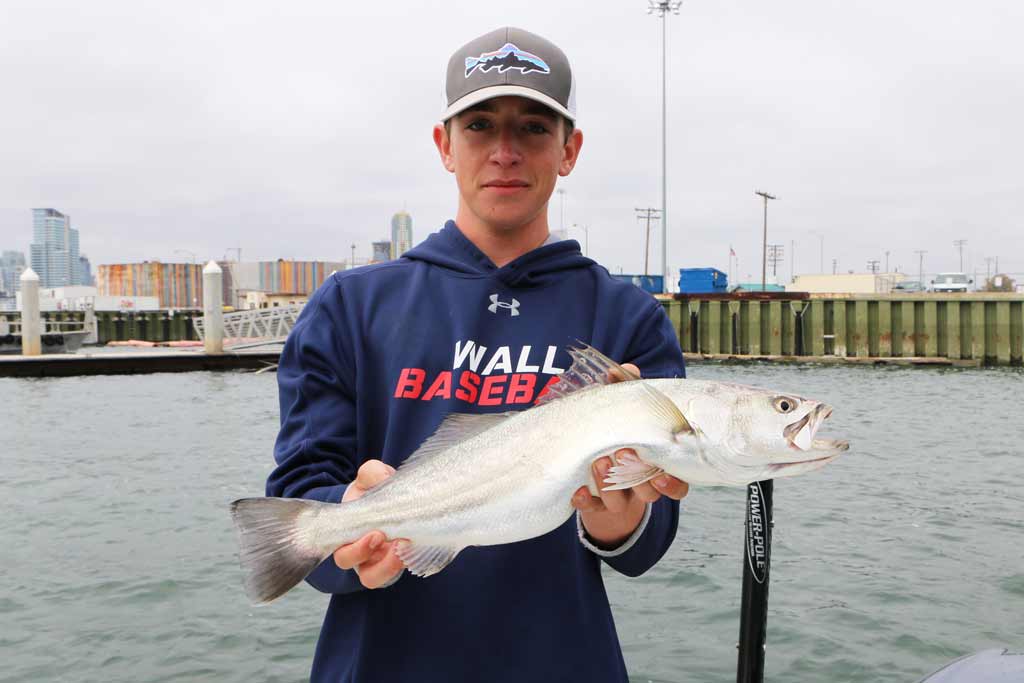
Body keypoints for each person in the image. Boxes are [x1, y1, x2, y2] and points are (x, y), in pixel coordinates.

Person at [267, 26, 688, 682]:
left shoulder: (626, 317)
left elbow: (645, 545)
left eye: (533, 128)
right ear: (445, 144)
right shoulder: (349, 306)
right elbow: (297, 498)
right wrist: (348, 529)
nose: (504, 151)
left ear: (569, 148)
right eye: (481, 124)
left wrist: (621, 519)